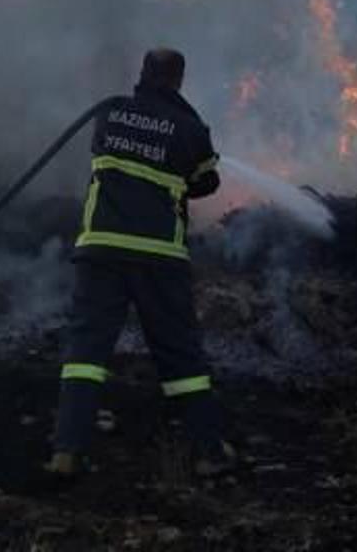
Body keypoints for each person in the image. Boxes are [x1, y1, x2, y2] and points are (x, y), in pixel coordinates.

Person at [46, 48, 234, 479]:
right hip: (159, 255)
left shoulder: (109, 114)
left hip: (101, 250)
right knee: (180, 355)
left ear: (143, 74)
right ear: (179, 80)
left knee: (85, 353)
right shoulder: (190, 129)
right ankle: (209, 451)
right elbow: (205, 182)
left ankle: (65, 452)